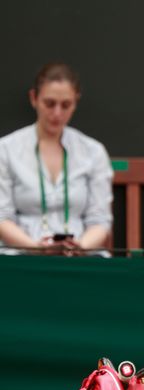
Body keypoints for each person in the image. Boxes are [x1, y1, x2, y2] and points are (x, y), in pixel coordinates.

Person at [0, 62, 113, 255]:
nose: (57, 113)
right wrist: (35, 248)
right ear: (34, 98)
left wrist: (81, 248)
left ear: (76, 102)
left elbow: (99, 219)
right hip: (22, 254)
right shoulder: (6, 149)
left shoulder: (93, 151)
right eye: (50, 103)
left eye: (66, 105)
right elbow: (2, 217)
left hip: (79, 256)